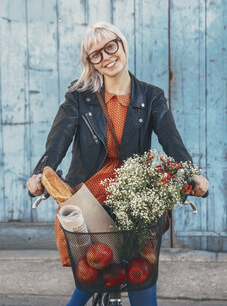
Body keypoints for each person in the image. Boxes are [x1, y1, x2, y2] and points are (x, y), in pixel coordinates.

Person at [27, 22, 209, 306]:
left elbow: (173, 143)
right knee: (92, 268)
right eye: (95, 54)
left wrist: (193, 176)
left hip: (134, 195)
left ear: (122, 45)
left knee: (141, 267)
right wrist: (40, 174)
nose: (106, 57)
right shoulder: (79, 97)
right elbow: (58, 140)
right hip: (89, 195)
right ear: (91, 62)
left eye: (110, 47)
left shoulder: (151, 97)